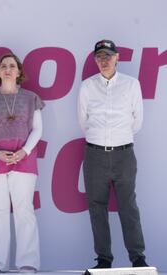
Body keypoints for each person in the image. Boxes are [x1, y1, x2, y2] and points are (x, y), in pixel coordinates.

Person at [78, 39, 149, 270]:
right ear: (95, 60)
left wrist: (117, 140)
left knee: (128, 206)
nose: (104, 60)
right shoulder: (87, 86)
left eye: (108, 55)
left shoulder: (131, 85)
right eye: (99, 57)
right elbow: (83, 121)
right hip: (94, 155)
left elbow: (136, 121)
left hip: (124, 155)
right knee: (97, 207)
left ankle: (138, 258)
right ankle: (104, 260)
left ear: (117, 58)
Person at [0, 53, 44, 274]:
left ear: (19, 71)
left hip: (24, 159)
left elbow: (38, 130)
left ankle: (28, 264)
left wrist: (24, 151)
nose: (7, 69)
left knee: (25, 210)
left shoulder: (32, 98)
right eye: (3, 66)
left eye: (12, 66)